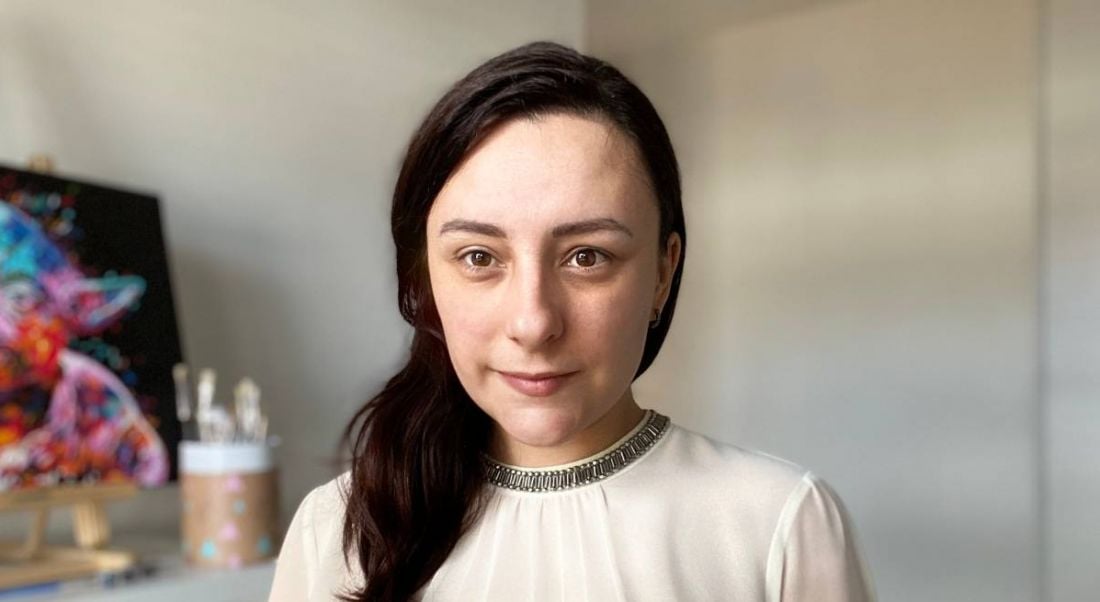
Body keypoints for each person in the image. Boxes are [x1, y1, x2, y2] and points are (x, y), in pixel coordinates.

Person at [268, 41, 876, 602]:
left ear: (663, 273)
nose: (533, 323)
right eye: (479, 258)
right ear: (424, 276)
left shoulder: (778, 525)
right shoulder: (338, 532)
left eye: (588, 257)